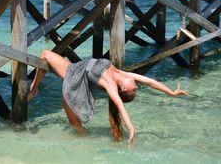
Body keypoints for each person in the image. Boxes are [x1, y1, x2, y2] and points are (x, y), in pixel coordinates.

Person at [28, 50, 189, 143]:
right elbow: (150, 81)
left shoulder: (112, 84)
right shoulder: (121, 73)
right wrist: (172, 93)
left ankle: (83, 142)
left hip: (77, 78)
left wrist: (131, 128)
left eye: (135, 89)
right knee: (45, 54)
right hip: (76, 68)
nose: (137, 86)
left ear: (125, 89)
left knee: (73, 121)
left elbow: (119, 106)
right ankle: (34, 89)